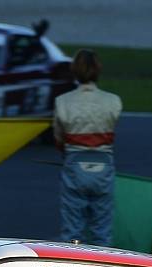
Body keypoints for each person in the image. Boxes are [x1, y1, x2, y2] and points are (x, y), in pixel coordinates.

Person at [53, 49, 122, 246]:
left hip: (74, 167)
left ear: (74, 70)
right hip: (104, 168)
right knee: (102, 231)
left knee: (72, 232)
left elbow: (58, 139)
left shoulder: (62, 101)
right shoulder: (113, 101)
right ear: (98, 70)